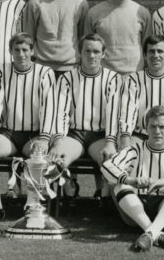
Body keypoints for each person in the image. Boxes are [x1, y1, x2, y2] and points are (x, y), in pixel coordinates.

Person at [0, 33, 56, 223]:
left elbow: (49, 106)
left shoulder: (45, 73)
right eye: (17, 50)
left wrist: (44, 138)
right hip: (9, 132)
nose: (21, 54)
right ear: (10, 51)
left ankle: (32, 206)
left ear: (32, 51)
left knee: (39, 158)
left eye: (25, 50)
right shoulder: (0, 72)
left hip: (35, 134)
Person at [102, 105, 164, 252]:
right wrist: (131, 181)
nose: (157, 131)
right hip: (136, 211)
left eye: (162, 127)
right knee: (118, 182)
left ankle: (150, 233)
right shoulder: (135, 149)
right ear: (146, 128)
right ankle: (154, 233)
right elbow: (107, 167)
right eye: (153, 126)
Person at [49, 33, 121, 172]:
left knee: (110, 164)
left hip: (100, 135)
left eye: (96, 51)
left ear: (104, 54)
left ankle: (103, 193)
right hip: (74, 135)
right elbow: (60, 113)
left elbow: (113, 114)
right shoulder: (67, 78)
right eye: (87, 51)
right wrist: (58, 141)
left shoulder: (113, 78)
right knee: (57, 160)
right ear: (79, 52)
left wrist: (110, 142)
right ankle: (69, 191)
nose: (91, 55)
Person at [118, 35, 164, 149]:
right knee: (129, 154)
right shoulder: (133, 80)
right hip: (140, 134)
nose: (155, 55)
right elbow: (127, 111)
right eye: (151, 51)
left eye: (160, 51)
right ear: (145, 55)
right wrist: (125, 139)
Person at [21, 0, 89, 74]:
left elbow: (84, 38)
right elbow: (28, 38)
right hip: (41, 67)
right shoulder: (35, 3)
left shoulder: (80, 3)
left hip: (71, 67)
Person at [83, 0, 152, 75]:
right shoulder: (94, 13)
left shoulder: (142, 13)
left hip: (134, 75)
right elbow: (87, 47)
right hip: (103, 76)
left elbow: (148, 48)